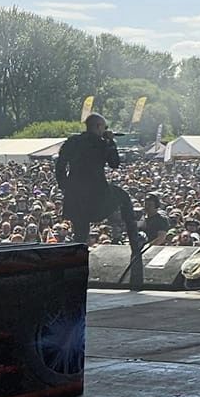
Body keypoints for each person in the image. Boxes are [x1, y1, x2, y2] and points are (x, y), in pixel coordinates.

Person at [54, 113, 145, 282]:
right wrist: (110, 142)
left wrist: (65, 186)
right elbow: (114, 163)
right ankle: (135, 245)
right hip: (98, 192)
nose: (105, 130)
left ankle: (76, 273)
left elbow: (59, 166)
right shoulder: (101, 143)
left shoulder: (72, 142)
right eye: (104, 127)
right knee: (124, 197)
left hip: (76, 193)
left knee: (80, 233)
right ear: (98, 127)